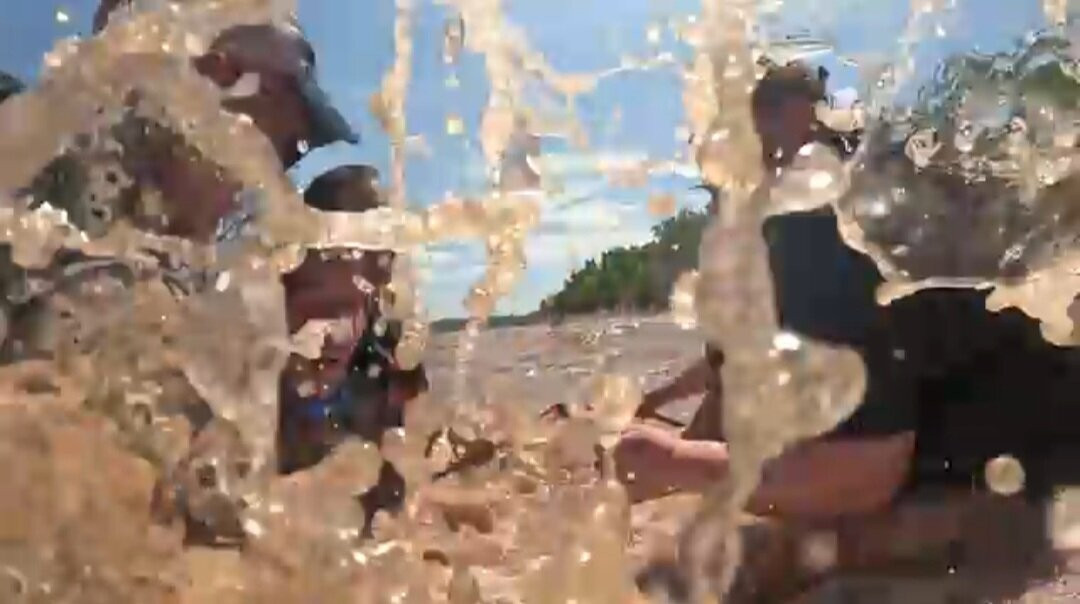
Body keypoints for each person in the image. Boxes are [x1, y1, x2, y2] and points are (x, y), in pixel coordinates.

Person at [616, 62, 916, 519]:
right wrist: (660, 405)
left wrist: (663, 464)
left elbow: (873, 468)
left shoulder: (823, 231)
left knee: (641, 459)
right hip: (909, 433)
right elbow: (731, 360)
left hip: (999, 464)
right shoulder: (811, 222)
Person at [277, 164, 429, 535]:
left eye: (350, 308)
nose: (334, 334)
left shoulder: (387, 367)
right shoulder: (252, 378)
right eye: (314, 306)